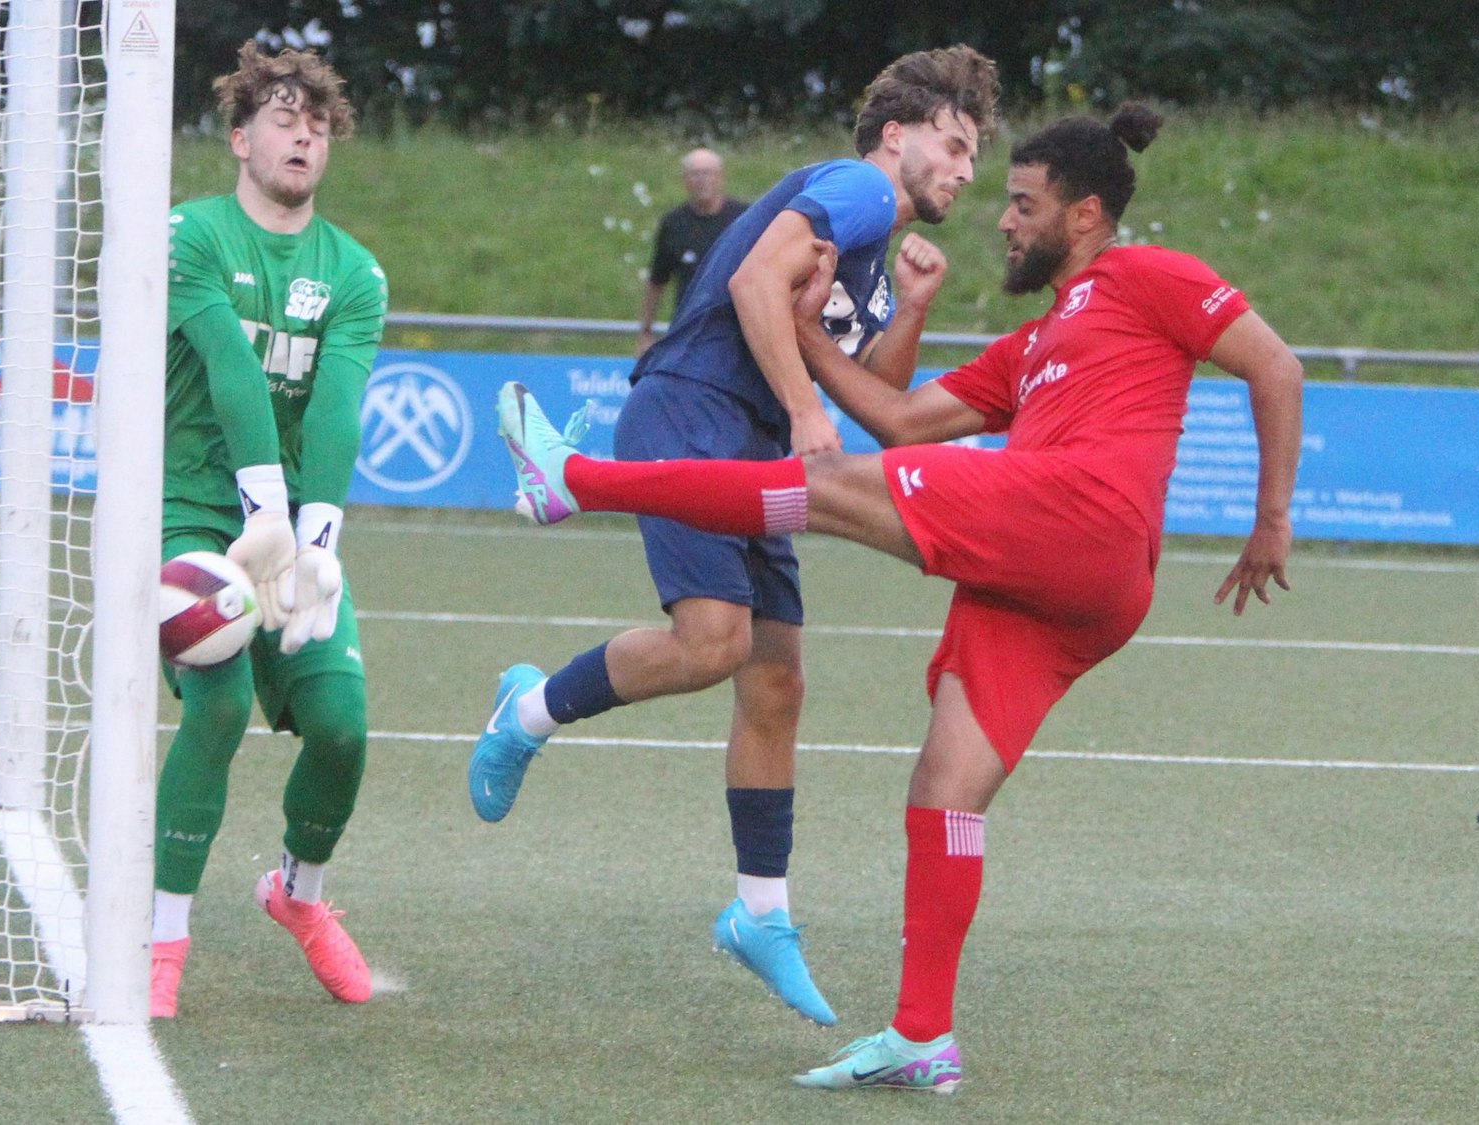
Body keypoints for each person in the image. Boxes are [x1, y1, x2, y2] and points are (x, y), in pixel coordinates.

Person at [495, 103, 1303, 1092]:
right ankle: (922, 1035)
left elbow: (1274, 364)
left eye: (1020, 202)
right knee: (944, 790)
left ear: (1084, 213)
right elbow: (902, 419)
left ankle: (574, 481)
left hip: (1076, 518)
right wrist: (811, 336)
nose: (1001, 220)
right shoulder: (1036, 342)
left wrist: (1269, 520)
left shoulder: (1147, 275)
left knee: (822, 490)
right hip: (1067, 586)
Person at [467, 45, 1000, 1028]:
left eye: (973, 158)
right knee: (713, 643)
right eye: (955, 145)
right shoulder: (859, 189)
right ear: (898, 134)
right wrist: (803, 415)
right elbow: (757, 286)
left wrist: (912, 309)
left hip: (743, 439)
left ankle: (760, 914)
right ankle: (528, 710)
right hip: (693, 412)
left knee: (775, 680)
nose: (966, 172)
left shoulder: (874, 244)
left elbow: (872, 388)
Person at [150, 42, 389, 1018]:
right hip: (191, 511)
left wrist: (316, 542)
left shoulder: (354, 273)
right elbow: (228, 367)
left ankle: (298, 893)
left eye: (317, 124)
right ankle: (160, 938)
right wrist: (265, 517)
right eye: (284, 119)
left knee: (341, 726)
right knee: (217, 706)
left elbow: (335, 404)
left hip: (293, 524)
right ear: (241, 137)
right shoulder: (191, 235)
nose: (303, 135)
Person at [636, 148, 749, 356]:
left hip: (737, 330)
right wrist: (646, 331)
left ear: (721, 177)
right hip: (688, 330)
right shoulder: (673, 223)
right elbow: (657, 280)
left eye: (708, 173)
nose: (702, 180)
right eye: (695, 174)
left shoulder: (745, 218)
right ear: (685, 180)